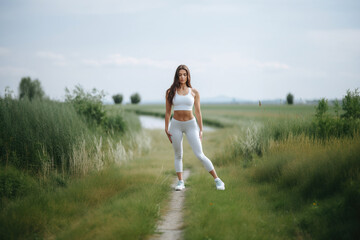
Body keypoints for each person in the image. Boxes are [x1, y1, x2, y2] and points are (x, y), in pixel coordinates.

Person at [165, 64, 225, 191]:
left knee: (200, 154)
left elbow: (198, 112)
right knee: (178, 154)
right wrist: (166, 128)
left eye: (184, 74)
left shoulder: (194, 92)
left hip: (191, 125)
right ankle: (180, 182)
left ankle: (218, 180)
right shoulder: (170, 92)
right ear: (177, 76)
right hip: (175, 125)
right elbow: (167, 112)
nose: (182, 77)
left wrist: (201, 129)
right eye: (180, 74)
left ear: (188, 76)